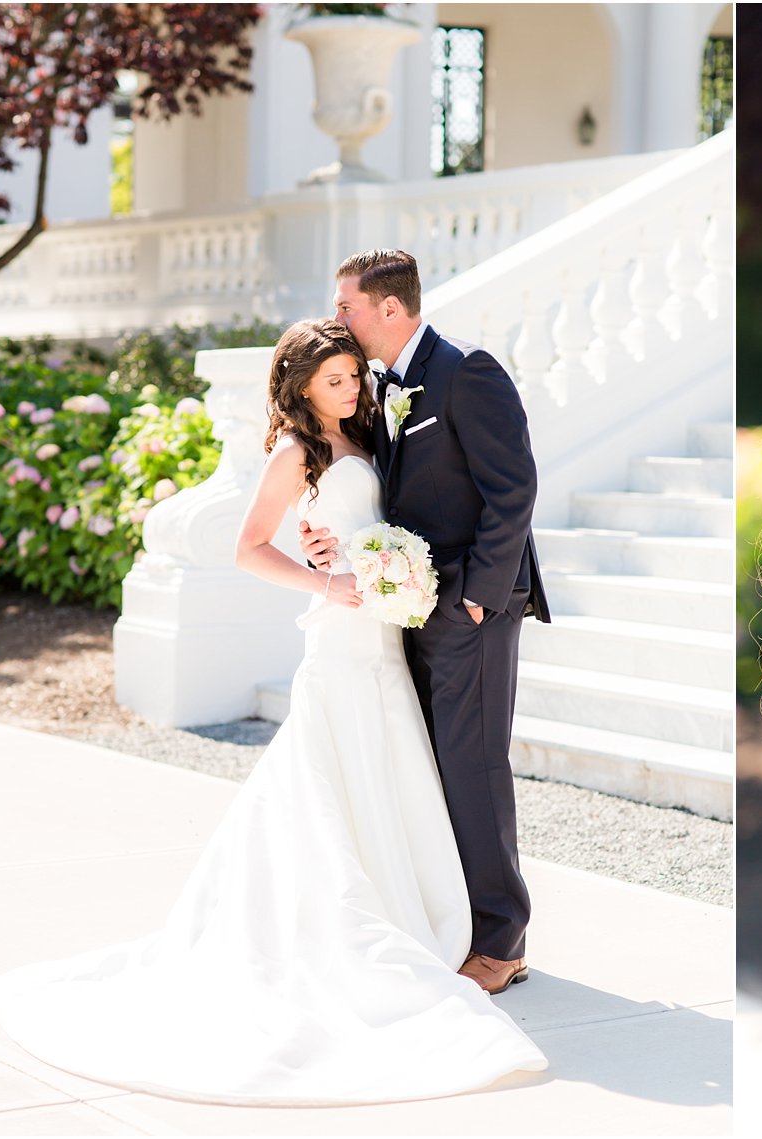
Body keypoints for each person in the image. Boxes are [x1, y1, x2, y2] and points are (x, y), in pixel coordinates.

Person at [0, 319, 547, 1104]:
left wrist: (385, 569)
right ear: (300, 387)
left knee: (390, 768)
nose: (352, 390)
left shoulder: (367, 439)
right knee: (330, 775)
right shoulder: (296, 453)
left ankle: (415, 912)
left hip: (384, 632)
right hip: (341, 634)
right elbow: (248, 547)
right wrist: (329, 582)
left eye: (354, 376)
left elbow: (385, 523)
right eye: (334, 382)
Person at [301, 249, 548, 996]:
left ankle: (502, 941)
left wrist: (477, 593)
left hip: (473, 606)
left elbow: (516, 487)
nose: (337, 317)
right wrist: (330, 540)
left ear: (387, 307)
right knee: (440, 772)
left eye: (345, 305)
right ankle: (465, 926)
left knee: (474, 769)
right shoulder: (380, 387)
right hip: (407, 605)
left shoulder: (466, 370)